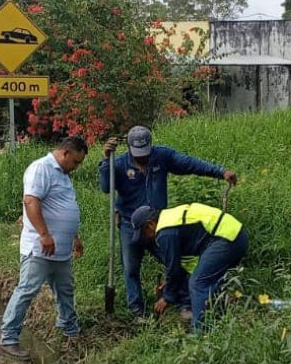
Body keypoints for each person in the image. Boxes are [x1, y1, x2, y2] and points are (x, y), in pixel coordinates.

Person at [98, 126, 237, 317]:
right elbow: (106, 187)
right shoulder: (120, 163)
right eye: (137, 154)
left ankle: (184, 302)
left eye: (145, 153)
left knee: (174, 263)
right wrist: (107, 161)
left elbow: (190, 164)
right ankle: (137, 311)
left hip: (158, 224)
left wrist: (220, 172)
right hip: (131, 224)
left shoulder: (161, 156)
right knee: (131, 268)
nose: (142, 158)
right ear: (129, 148)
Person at [0, 137, 90, 360]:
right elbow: (31, 202)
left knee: (65, 289)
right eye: (76, 162)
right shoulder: (41, 168)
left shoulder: (63, 175)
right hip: (40, 248)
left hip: (60, 249)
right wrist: (44, 234)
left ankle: (69, 330)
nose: (76, 167)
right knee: (27, 290)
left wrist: (73, 237)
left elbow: (63, 207)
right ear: (66, 153)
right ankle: (9, 338)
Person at [129, 202, 249, 331]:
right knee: (207, 280)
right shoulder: (169, 218)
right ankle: (219, 323)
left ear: (150, 224)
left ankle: (200, 334)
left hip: (226, 238)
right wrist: (170, 284)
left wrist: (167, 297)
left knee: (198, 283)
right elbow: (187, 265)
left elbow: (173, 268)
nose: (146, 238)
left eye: (144, 233)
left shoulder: (165, 233)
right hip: (233, 235)